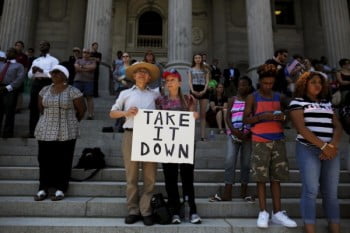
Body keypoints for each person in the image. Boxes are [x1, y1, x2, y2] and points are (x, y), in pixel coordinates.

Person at [243, 64, 296, 229]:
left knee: (276, 178)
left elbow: (291, 112)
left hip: (278, 139)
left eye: (271, 83)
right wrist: (261, 117)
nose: (268, 86)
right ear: (260, 82)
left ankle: (278, 212)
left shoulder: (279, 97)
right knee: (261, 178)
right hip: (260, 139)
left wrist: (284, 117)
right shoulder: (253, 97)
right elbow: (245, 119)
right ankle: (263, 211)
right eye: (265, 83)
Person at [288, 71, 342, 233]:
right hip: (308, 149)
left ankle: (335, 228)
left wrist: (332, 145)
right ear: (304, 84)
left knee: (331, 193)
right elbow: (301, 128)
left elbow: (337, 126)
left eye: (320, 82)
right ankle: (310, 228)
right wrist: (323, 147)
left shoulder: (326, 103)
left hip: (330, 151)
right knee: (311, 190)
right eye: (313, 82)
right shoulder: (296, 102)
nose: (317, 85)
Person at [109, 62, 161, 226]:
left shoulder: (156, 95)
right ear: (134, 76)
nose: (141, 74)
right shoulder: (125, 93)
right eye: (138, 71)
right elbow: (112, 113)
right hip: (130, 134)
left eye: (145, 72)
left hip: (151, 136)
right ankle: (133, 209)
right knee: (131, 176)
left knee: (150, 176)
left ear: (149, 77)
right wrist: (125, 112)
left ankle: (146, 210)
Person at [155, 68, 201, 224]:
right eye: (167, 81)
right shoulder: (160, 101)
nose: (169, 83)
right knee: (170, 177)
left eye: (173, 80)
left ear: (179, 82)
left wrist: (194, 115)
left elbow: (194, 115)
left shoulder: (188, 99)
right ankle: (174, 210)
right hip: (167, 144)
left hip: (185, 143)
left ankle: (192, 210)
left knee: (187, 177)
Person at [33, 65, 85, 202]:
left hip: (66, 130)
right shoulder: (44, 90)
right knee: (44, 160)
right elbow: (41, 108)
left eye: (57, 72)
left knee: (64, 160)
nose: (54, 74)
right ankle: (43, 188)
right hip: (45, 130)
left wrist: (70, 120)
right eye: (52, 72)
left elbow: (81, 111)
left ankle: (61, 189)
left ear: (65, 76)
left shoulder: (74, 91)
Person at [210, 76, 254, 203]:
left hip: (247, 136)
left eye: (245, 85)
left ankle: (243, 192)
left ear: (249, 87)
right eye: (240, 85)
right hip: (233, 134)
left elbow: (256, 117)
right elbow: (228, 117)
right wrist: (234, 130)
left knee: (246, 164)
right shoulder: (232, 100)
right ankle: (227, 191)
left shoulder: (252, 101)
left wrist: (249, 132)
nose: (242, 87)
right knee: (230, 161)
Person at [27, 40, 59, 138]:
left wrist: (41, 71)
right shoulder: (36, 60)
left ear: (48, 47)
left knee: (48, 108)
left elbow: (54, 74)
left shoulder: (54, 60)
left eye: (44, 44)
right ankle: (32, 131)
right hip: (36, 84)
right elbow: (29, 75)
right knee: (33, 108)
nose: (42, 46)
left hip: (48, 84)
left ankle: (49, 132)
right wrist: (33, 72)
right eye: (40, 45)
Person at [0, 48, 25, 138]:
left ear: (16, 54)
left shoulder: (19, 66)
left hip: (10, 89)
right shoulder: (1, 63)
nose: (8, 52)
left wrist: (8, 88)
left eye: (11, 51)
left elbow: (20, 79)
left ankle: (8, 132)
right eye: (7, 51)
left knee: (9, 112)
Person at [188, 53, 210, 141]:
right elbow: (189, 81)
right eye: (196, 57)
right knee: (193, 113)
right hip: (194, 88)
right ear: (193, 59)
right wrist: (192, 90)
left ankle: (202, 136)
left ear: (201, 59)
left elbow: (207, 81)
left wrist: (204, 90)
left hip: (203, 90)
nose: (197, 59)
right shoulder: (190, 69)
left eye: (199, 57)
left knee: (203, 114)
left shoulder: (206, 70)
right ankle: (191, 136)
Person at [74, 48, 96, 120]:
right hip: (78, 81)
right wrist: (87, 69)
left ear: (90, 54)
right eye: (84, 52)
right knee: (76, 98)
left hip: (88, 81)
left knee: (89, 98)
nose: (85, 54)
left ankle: (90, 114)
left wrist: (81, 67)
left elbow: (92, 67)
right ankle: (76, 113)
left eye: (87, 52)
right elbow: (77, 68)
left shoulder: (93, 61)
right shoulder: (78, 60)